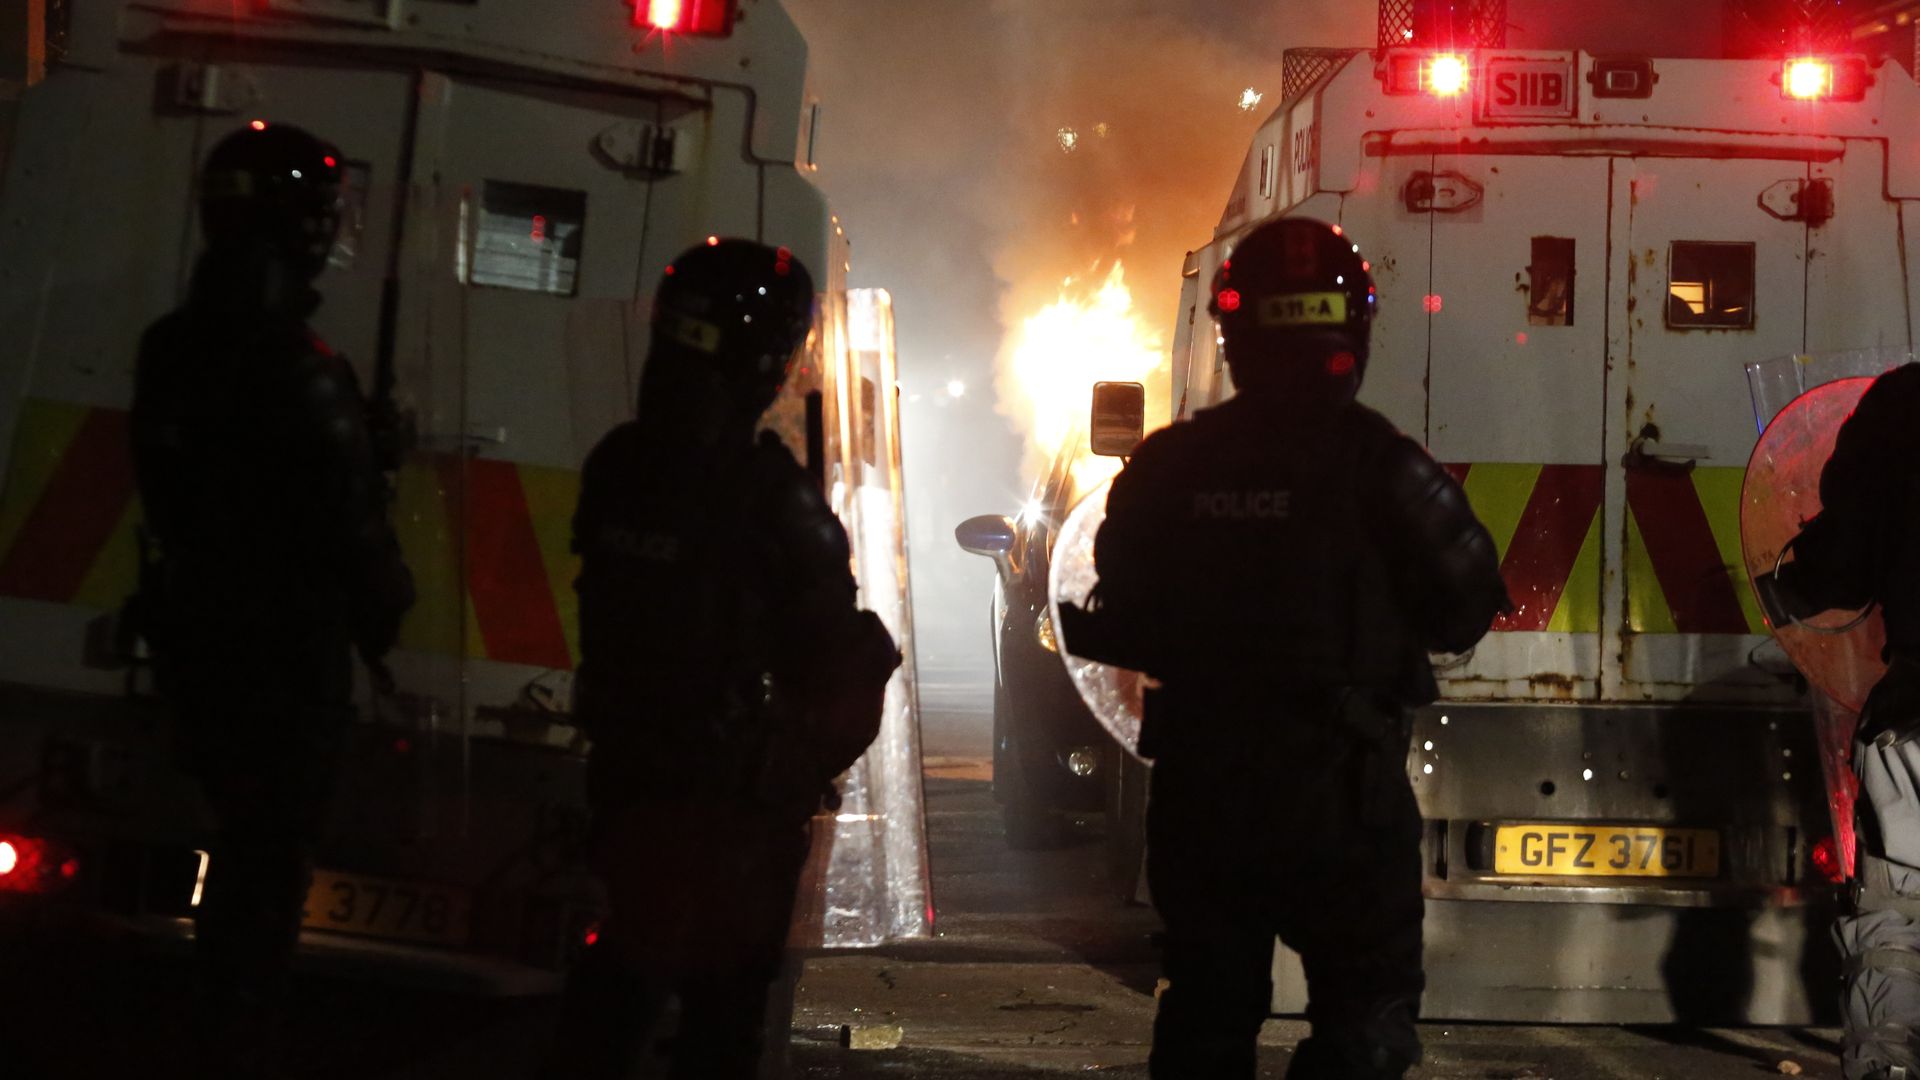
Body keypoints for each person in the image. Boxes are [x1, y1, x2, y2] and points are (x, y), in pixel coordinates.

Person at [1060, 218, 1510, 1080]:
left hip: (1205, 796)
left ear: (1234, 333)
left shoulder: (1166, 469)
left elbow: (1120, 613)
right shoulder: (1387, 468)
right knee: (1364, 1026)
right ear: (1354, 329)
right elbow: (1463, 609)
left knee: (1205, 1018)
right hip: (1343, 798)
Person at [544, 239, 898, 1080]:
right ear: (769, 361)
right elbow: (840, 672)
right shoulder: (775, 502)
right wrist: (793, 768)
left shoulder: (619, 466)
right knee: (719, 1036)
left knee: (604, 1018)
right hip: (726, 823)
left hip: (626, 793)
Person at [130, 122, 414, 1077]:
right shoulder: (303, 371)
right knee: (260, 891)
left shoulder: (168, 348)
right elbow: (349, 535)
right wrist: (385, 610)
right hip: (286, 674)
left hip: (193, 650)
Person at [1758, 362, 1920, 1080]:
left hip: (1917, 717)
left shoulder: (1904, 409)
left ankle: (1887, 1063)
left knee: (1898, 913)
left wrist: (1784, 581)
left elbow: (1839, 564)